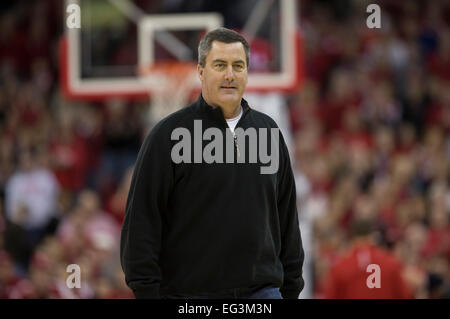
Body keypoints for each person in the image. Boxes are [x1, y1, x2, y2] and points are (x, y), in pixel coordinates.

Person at [120, 27, 304, 299]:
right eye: (220, 65)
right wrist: (147, 291)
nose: (230, 75)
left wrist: (290, 289)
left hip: (262, 294)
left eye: (238, 66)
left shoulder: (268, 133)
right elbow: (142, 222)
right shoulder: (167, 136)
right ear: (201, 71)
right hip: (190, 296)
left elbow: (287, 218)